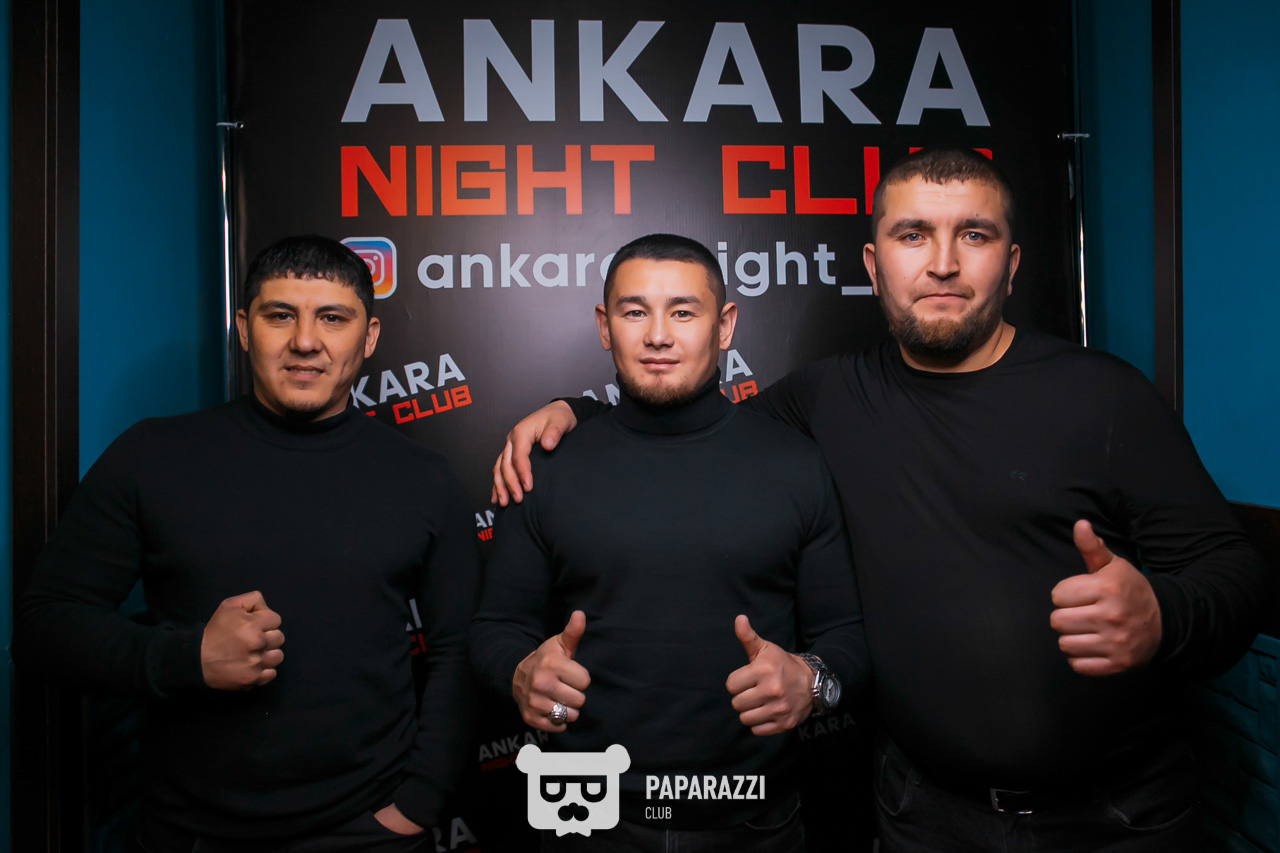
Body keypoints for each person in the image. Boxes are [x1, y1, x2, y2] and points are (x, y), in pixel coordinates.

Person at [490, 149, 1275, 851]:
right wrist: (577, 414)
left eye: (973, 234)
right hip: (922, 814)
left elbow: (1235, 573)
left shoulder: (1104, 396)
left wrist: (1164, 615)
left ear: (1012, 263)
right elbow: (685, 416)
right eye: (913, 235)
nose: (942, 263)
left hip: (1117, 816)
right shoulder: (828, 398)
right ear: (874, 262)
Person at [15, 235, 481, 852]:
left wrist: (421, 801)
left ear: (369, 337)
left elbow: (459, 650)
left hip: (368, 832)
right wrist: (187, 659)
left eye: (332, 318)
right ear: (243, 328)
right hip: (190, 833)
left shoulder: (424, 479)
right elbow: (43, 630)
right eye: (279, 315)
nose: (305, 341)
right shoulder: (153, 456)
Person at [470, 233, 869, 852]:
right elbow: (495, 628)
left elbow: (846, 634)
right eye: (635, 312)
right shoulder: (544, 465)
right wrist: (518, 671)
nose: (658, 335)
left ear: (724, 325)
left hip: (754, 821)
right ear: (604, 326)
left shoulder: (795, 464)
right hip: (587, 818)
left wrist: (813, 681)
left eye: (683, 312)